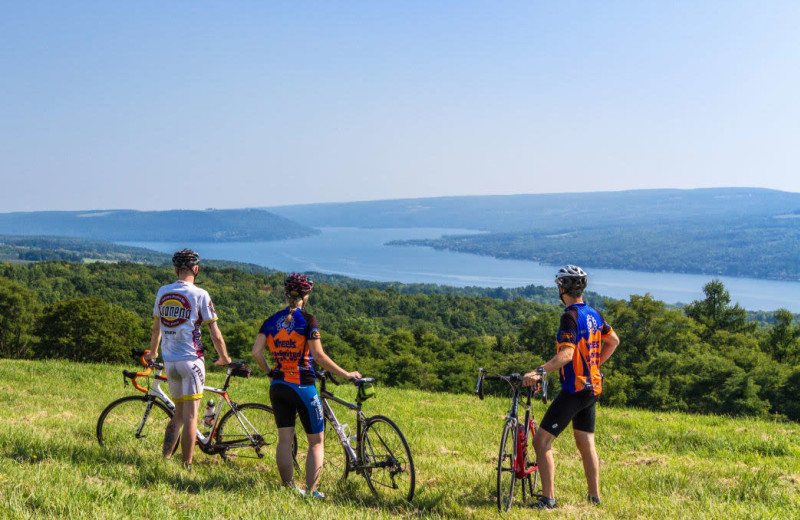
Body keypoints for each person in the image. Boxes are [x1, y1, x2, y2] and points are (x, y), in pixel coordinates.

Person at [251, 273, 361, 499]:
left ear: (285, 294)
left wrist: (271, 373)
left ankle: (289, 488)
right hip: (302, 385)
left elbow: (256, 352)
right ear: (306, 296)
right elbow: (318, 356)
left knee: (284, 439)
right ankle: (311, 493)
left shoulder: (271, 321)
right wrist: (346, 374)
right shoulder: (308, 321)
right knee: (316, 441)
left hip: (279, 385)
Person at [523, 265, 620, 509]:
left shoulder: (570, 316)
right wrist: (594, 364)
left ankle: (548, 500)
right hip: (592, 389)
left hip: (575, 390)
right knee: (586, 442)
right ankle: (594, 497)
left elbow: (566, 355)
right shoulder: (593, 314)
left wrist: (539, 371)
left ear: (562, 288)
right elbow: (613, 340)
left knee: (541, 442)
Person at [145, 249, 232, 469]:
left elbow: (157, 329)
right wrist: (224, 357)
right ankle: (187, 465)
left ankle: (164, 460)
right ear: (196, 269)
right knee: (192, 417)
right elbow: (215, 332)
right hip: (191, 361)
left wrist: (153, 353)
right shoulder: (200, 294)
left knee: (179, 415)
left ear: (175, 270)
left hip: (170, 361)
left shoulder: (163, 292)